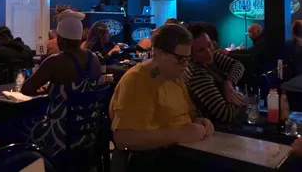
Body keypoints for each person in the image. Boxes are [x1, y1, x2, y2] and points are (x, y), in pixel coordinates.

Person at [110, 24, 214, 154]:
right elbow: (124, 138)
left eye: (187, 58)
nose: (185, 64)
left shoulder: (174, 76)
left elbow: (186, 116)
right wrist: (179, 134)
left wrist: (199, 122)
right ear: (159, 53)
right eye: (180, 58)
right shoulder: (137, 80)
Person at [21, 8, 101, 158]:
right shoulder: (94, 58)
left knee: (19, 124)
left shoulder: (55, 61)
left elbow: (26, 89)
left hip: (61, 136)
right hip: (89, 131)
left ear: (61, 39)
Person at [184, 23, 246, 124]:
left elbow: (238, 65)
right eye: (200, 50)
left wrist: (228, 84)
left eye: (209, 45)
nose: (208, 53)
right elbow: (225, 114)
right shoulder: (196, 74)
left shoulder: (209, 56)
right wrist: (242, 99)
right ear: (189, 54)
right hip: (215, 131)